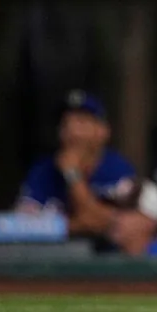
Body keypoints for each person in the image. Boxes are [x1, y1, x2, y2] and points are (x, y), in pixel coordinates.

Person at [17, 90, 139, 243]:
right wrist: (79, 225)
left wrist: (72, 175)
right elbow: (22, 225)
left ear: (103, 131)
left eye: (81, 123)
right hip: (52, 254)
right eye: (65, 124)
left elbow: (115, 226)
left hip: (105, 255)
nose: (72, 131)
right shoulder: (43, 170)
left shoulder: (119, 170)